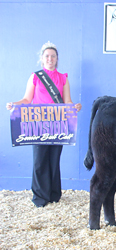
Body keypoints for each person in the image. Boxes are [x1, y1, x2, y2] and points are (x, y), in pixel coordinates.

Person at [6, 41, 82, 207]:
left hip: (57, 125)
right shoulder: (35, 77)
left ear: (57, 59)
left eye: (53, 56)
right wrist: (15, 104)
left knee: (54, 160)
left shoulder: (63, 78)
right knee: (39, 161)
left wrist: (75, 106)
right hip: (38, 125)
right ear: (42, 58)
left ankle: (54, 195)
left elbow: (67, 101)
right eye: (47, 56)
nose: (50, 58)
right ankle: (40, 197)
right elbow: (27, 99)